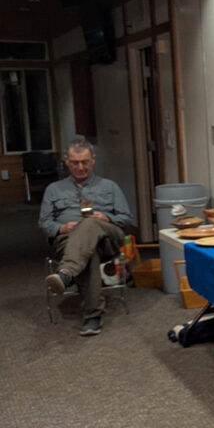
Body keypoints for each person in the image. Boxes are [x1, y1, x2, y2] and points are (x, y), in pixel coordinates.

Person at [40, 138, 134, 336]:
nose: (80, 167)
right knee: (88, 252)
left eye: (85, 162)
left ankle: (66, 273)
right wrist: (61, 227)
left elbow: (126, 218)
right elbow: (44, 223)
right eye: (75, 163)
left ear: (93, 160)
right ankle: (92, 315)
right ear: (67, 161)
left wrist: (106, 217)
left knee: (90, 223)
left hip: (108, 238)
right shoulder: (53, 189)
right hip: (68, 241)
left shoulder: (110, 186)